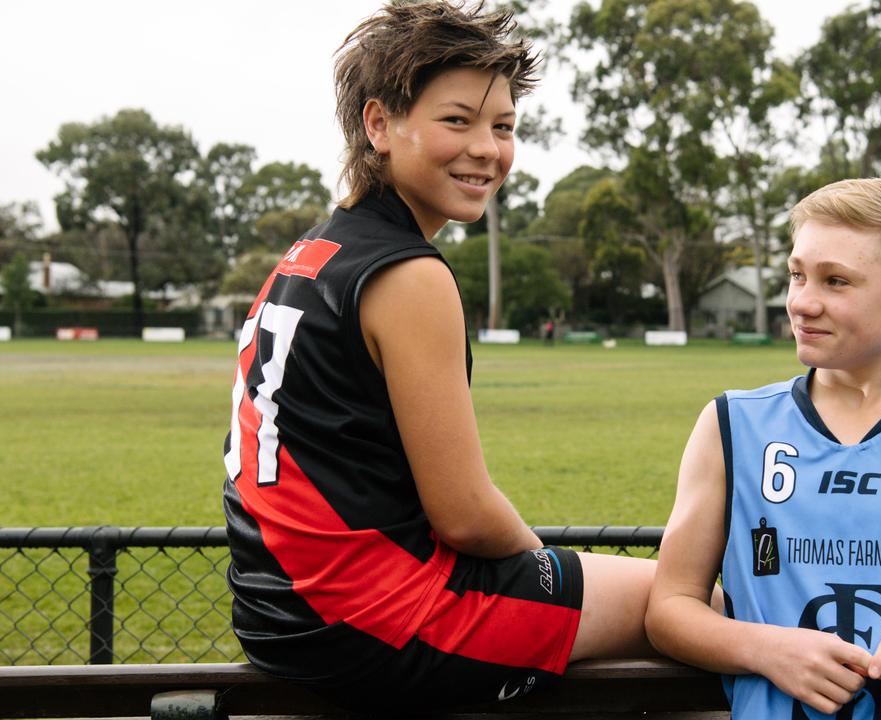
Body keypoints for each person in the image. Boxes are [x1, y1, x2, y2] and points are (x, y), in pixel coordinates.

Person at [221, 3, 653, 713]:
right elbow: (466, 515)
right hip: (374, 621)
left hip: (281, 617)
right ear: (378, 124)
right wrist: (541, 568)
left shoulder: (311, 253)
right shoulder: (409, 275)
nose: (487, 147)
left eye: (504, 126)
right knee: (685, 601)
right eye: (458, 120)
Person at [646, 177, 881, 719]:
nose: (802, 302)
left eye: (835, 281)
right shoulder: (733, 424)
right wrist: (766, 649)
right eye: (797, 275)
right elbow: (670, 608)